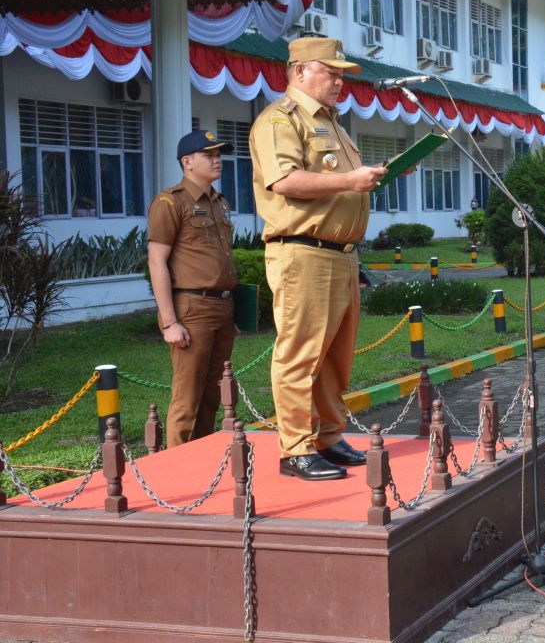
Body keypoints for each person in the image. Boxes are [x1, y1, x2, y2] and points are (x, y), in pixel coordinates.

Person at [248, 36, 387, 481]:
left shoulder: (335, 125)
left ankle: (328, 434)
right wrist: (350, 179)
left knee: (334, 355)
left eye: (343, 73)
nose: (340, 80)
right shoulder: (280, 121)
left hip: (341, 255)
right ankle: (295, 448)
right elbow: (285, 181)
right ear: (300, 71)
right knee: (301, 353)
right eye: (332, 71)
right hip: (303, 253)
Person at [147, 129, 238, 448]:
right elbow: (157, 262)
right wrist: (170, 322)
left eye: (219, 155)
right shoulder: (170, 202)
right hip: (192, 308)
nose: (218, 161)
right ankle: (176, 478)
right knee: (187, 398)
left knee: (213, 394)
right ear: (187, 162)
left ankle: (201, 462)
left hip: (221, 307)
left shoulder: (218, 201)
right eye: (209, 155)